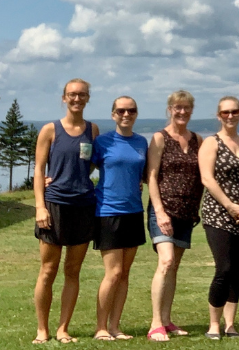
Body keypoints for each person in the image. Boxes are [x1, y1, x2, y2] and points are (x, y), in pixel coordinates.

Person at [32, 78, 100, 344]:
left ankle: (63, 329)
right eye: (72, 95)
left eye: (82, 95)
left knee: (73, 271)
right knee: (48, 270)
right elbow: (38, 170)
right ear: (64, 98)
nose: (77, 99)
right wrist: (40, 206)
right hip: (54, 206)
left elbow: (91, 165)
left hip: (83, 206)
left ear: (87, 98)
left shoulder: (92, 130)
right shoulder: (50, 130)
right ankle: (42, 329)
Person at [198, 96, 239, 339]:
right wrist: (230, 206)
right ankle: (214, 324)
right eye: (225, 112)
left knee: (235, 270)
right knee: (223, 268)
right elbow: (207, 178)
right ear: (219, 115)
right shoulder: (211, 143)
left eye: (234, 111)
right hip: (218, 215)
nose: (230, 116)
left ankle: (230, 324)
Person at [146, 90, 204, 341]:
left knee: (174, 267)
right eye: (177, 107)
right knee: (166, 261)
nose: (182, 112)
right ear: (169, 109)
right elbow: (151, 175)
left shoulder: (197, 140)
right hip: (164, 211)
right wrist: (159, 212)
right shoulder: (159, 138)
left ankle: (167, 320)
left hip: (187, 212)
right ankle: (155, 324)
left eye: (187, 108)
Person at [91, 96, 148, 341]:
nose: (126, 114)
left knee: (124, 273)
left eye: (131, 110)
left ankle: (115, 327)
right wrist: (50, 179)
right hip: (108, 212)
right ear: (113, 114)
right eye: (121, 110)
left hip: (134, 212)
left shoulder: (141, 142)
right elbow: (82, 168)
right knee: (112, 273)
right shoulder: (102, 142)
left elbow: (145, 174)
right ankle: (101, 328)